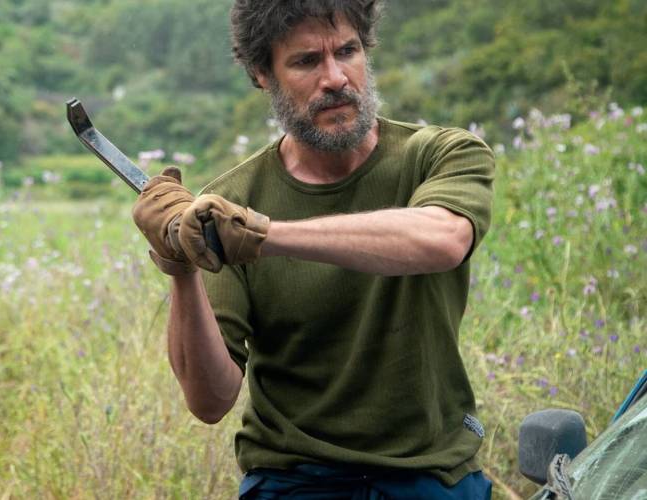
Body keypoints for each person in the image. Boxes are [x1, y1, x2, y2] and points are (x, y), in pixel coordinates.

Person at [131, 1, 495, 498]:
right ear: (263, 75)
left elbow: (442, 240)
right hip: (294, 480)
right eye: (306, 61)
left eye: (347, 51)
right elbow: (210, 400)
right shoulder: (231, 203)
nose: (335, 78)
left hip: (430, 474)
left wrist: (264, 236)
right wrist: (182, 267)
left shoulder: (441, 155)